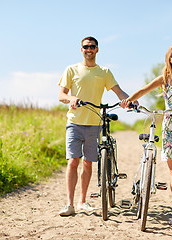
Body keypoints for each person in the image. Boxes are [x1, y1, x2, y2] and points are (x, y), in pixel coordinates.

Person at [121, 43, 172, 228]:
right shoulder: (164, 79)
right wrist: (128, 100)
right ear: (169, 57)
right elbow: (143, 90)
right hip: (170, 128)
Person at [58, 36, 130, 216]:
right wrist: (71, 98)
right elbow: (61, 95)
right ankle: (69, 204)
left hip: (94, 123)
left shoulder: (104, 72)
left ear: (97, 49)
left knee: (88, 164)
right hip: (74, 122)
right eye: (85, 47)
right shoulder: (71, 70)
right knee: (73, 161)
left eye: (92, 46)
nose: (88, 49)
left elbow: (118, 91)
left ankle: (82, 202)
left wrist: (127, 100)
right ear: (81, 49)